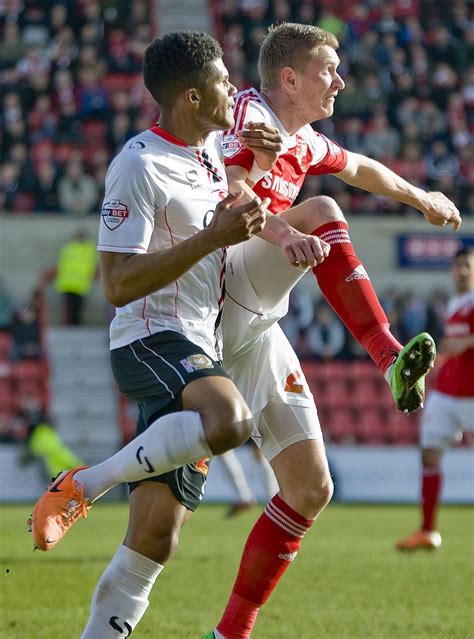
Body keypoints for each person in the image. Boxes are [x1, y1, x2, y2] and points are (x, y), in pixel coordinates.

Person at [202, 23, 461, 638]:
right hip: (214, 293)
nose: (340, 81)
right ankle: (389, 354)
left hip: (257, 325)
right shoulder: (248, 112)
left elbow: (363, 167)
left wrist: (419, 196)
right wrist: (286, 234)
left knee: (310, 488)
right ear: (289, 77)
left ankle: (229, 634)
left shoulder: (303, 139)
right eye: (328, 69)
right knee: (320, 212)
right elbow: (232, 192)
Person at [29, 31, 284, 638]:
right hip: (149, 338)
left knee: (155, 539)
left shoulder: (211, 150)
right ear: (193, 96)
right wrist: (211, 239)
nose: (233, 88)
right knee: (233, 422)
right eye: (224, 80)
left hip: (201, 341)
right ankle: (85, 483)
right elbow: (115, 285)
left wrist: (264, 161)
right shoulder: (137, 165)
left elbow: (239, 193)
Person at [396, 246, 474, 551]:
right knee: (429, 454)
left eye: (467, 265)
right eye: (457, 266)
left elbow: (462, 343)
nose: (462, 270)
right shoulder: (455, 303)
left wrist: (464, 343)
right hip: (446, 393)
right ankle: (428, 531)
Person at [50, 229, 98, 325]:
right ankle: (72, 325)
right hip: (73, 283)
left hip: (75, 283)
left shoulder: (69, 248)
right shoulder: (89, 248)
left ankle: (72, 325)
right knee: (72, 309)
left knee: (74, 308)